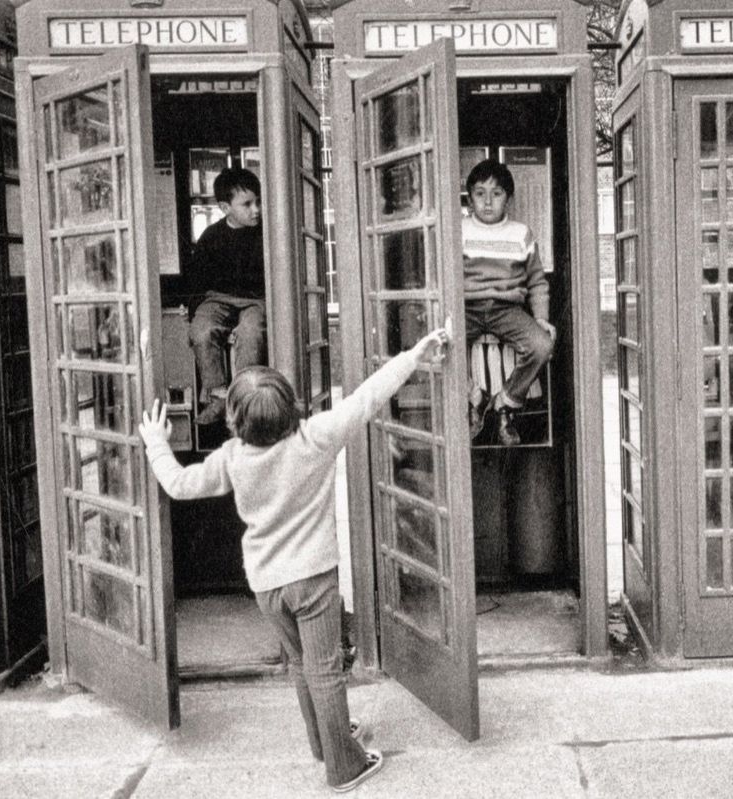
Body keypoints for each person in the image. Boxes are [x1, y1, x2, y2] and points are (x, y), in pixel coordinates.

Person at [138, 327, 449, 793]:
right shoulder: (315, 438)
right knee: (324, 668)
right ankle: (345, 767)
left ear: (234, 420)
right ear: (290, 407)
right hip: (314, 580)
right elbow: (368, 396)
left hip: (266, 584)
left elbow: (179, 484)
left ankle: (325, 742)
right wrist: (415, 354)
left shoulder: (231, 458)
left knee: (302, 665)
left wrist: (156, 443)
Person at [462, 159, 556, 446]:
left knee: (542, 345)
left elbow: (537, 281)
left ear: (509, 199)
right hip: (468, 307)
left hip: (507, 309)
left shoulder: (521, 234)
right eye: (480, 193)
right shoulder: (458, 231)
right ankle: (474, 396)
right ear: (470, 198)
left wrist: (541, 318)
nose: (488, 202)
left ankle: (507, 401)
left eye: (497, 193)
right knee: (436, 348)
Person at [185, 167, 266, 425]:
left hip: (256, 299)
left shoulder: (267, 233)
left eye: (259, 202)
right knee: (201, 330)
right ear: (225, 207)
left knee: (250, 334)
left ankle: (244, 402)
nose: (257, 210)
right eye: (248, 204)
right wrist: (195, 308)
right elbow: (197, 278)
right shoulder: (211, 237)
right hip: (217, 297)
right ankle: (218, 396)